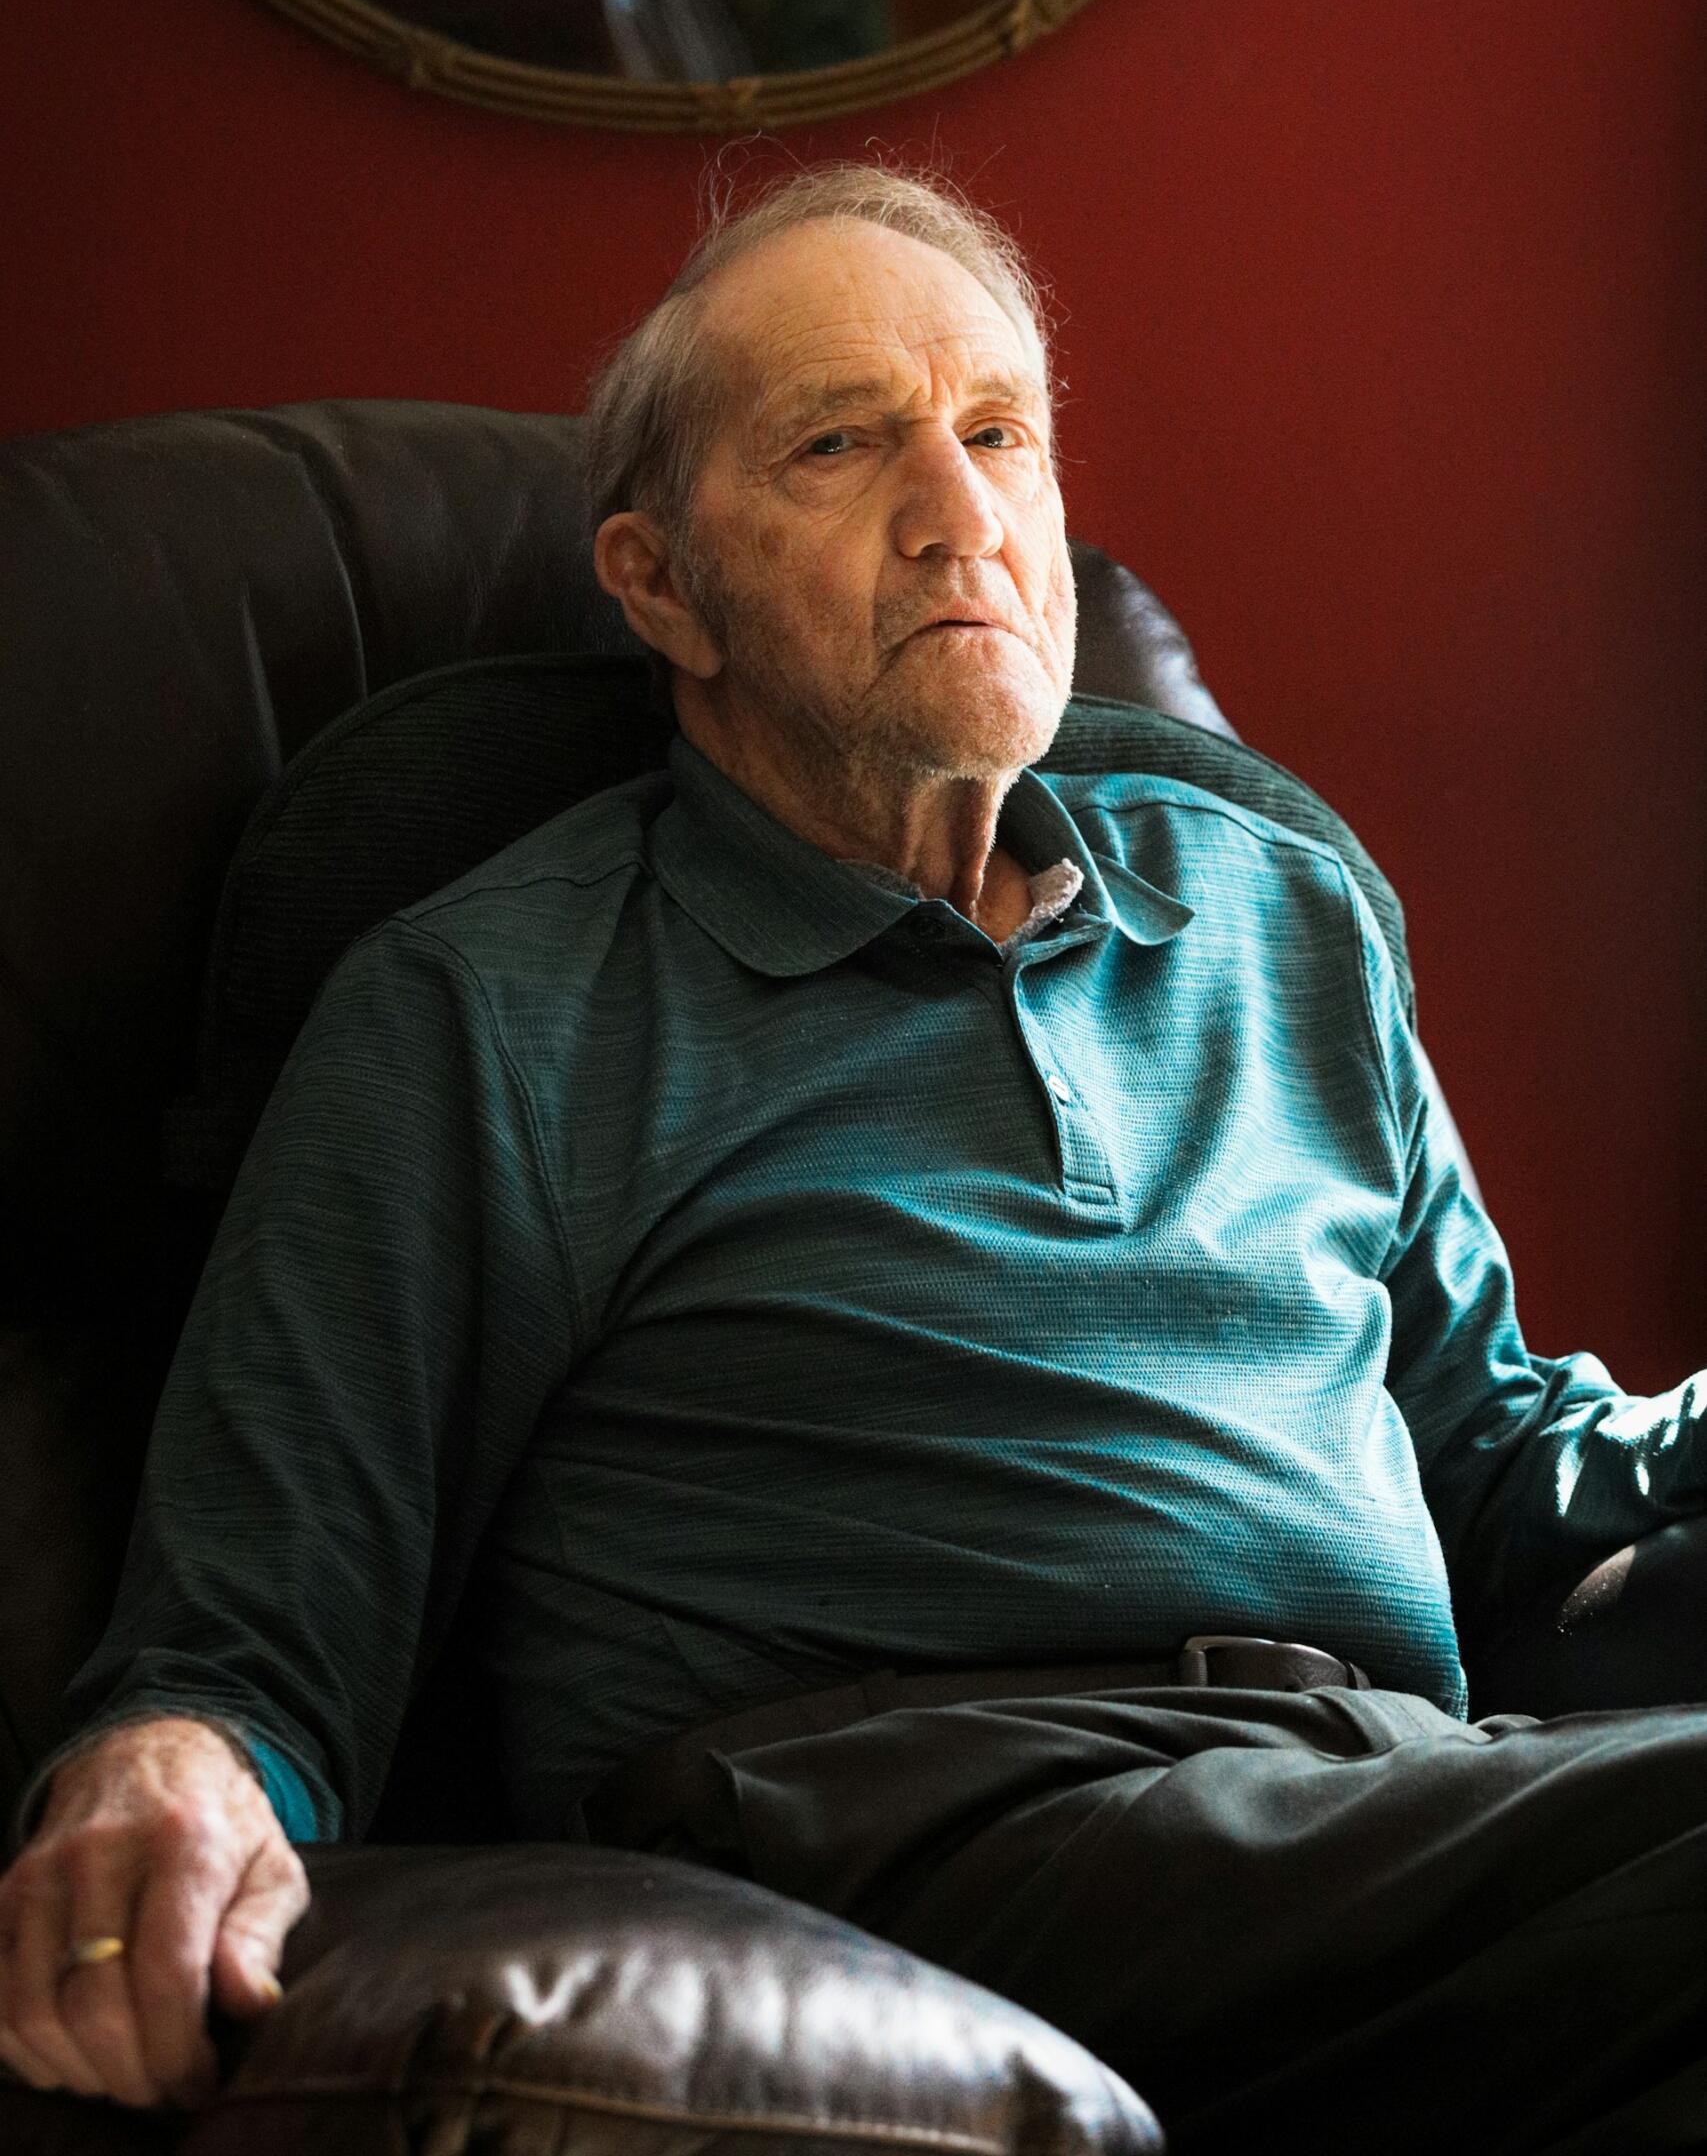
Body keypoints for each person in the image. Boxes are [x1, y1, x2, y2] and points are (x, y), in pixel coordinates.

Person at [3, 162, 1706, 2147]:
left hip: (1376, 1797)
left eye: (999, 431)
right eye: (839, 442)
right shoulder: (488, 1005)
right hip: (912, 1825)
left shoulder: (1277, 913)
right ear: (657, 582)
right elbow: (255, 1615)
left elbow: (1490, 1452)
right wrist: (174, 1769)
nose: (959, 506)